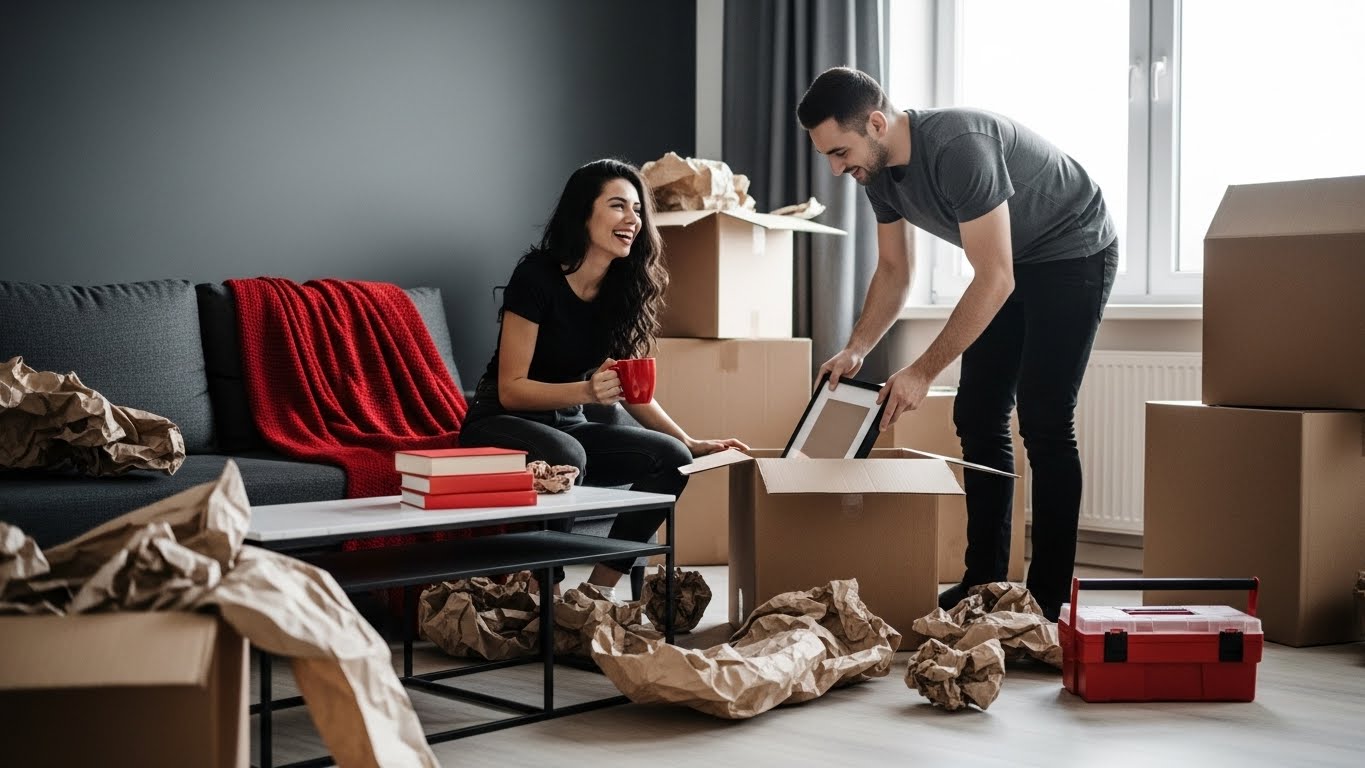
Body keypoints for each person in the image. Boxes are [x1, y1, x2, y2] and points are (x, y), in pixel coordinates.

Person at [797, 67, 1118, 621]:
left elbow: (994, 277)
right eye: (827, 155)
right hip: (1013, 264)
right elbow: (895, 270)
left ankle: (1046, 601)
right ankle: (985, 583)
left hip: (1072, 250)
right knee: (977, 413)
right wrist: (857, 348)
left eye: (840, 151)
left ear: (876, 123)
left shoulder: (958, 147)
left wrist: (921, 371)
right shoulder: (877, 174)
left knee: (1044, 417)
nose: (835, 168)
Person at [459, 158, 748, 601]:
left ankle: (594, 594)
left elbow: (629, 390)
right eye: (618, 206)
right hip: (499, 422)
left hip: (566, 426)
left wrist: (689, 442)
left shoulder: (621, 287)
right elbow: (510, 388)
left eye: (637, 210)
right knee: (565, 452)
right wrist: (585, 391)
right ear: (583, 214)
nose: (633, 220)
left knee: (669, 457)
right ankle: (543, 595)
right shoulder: (536, 277)